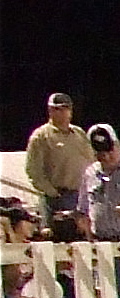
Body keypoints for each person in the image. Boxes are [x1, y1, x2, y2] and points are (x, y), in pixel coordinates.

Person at [24, 94, 90, 232]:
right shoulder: (41, 136)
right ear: (50, 111)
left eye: (64, 108)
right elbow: (33, 170)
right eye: (55, 109)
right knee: (60, 235)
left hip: (83, 195)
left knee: (84, 237)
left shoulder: (79, 133)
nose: (61, 112)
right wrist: (52, 193)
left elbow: (91, 159)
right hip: (59, 197)